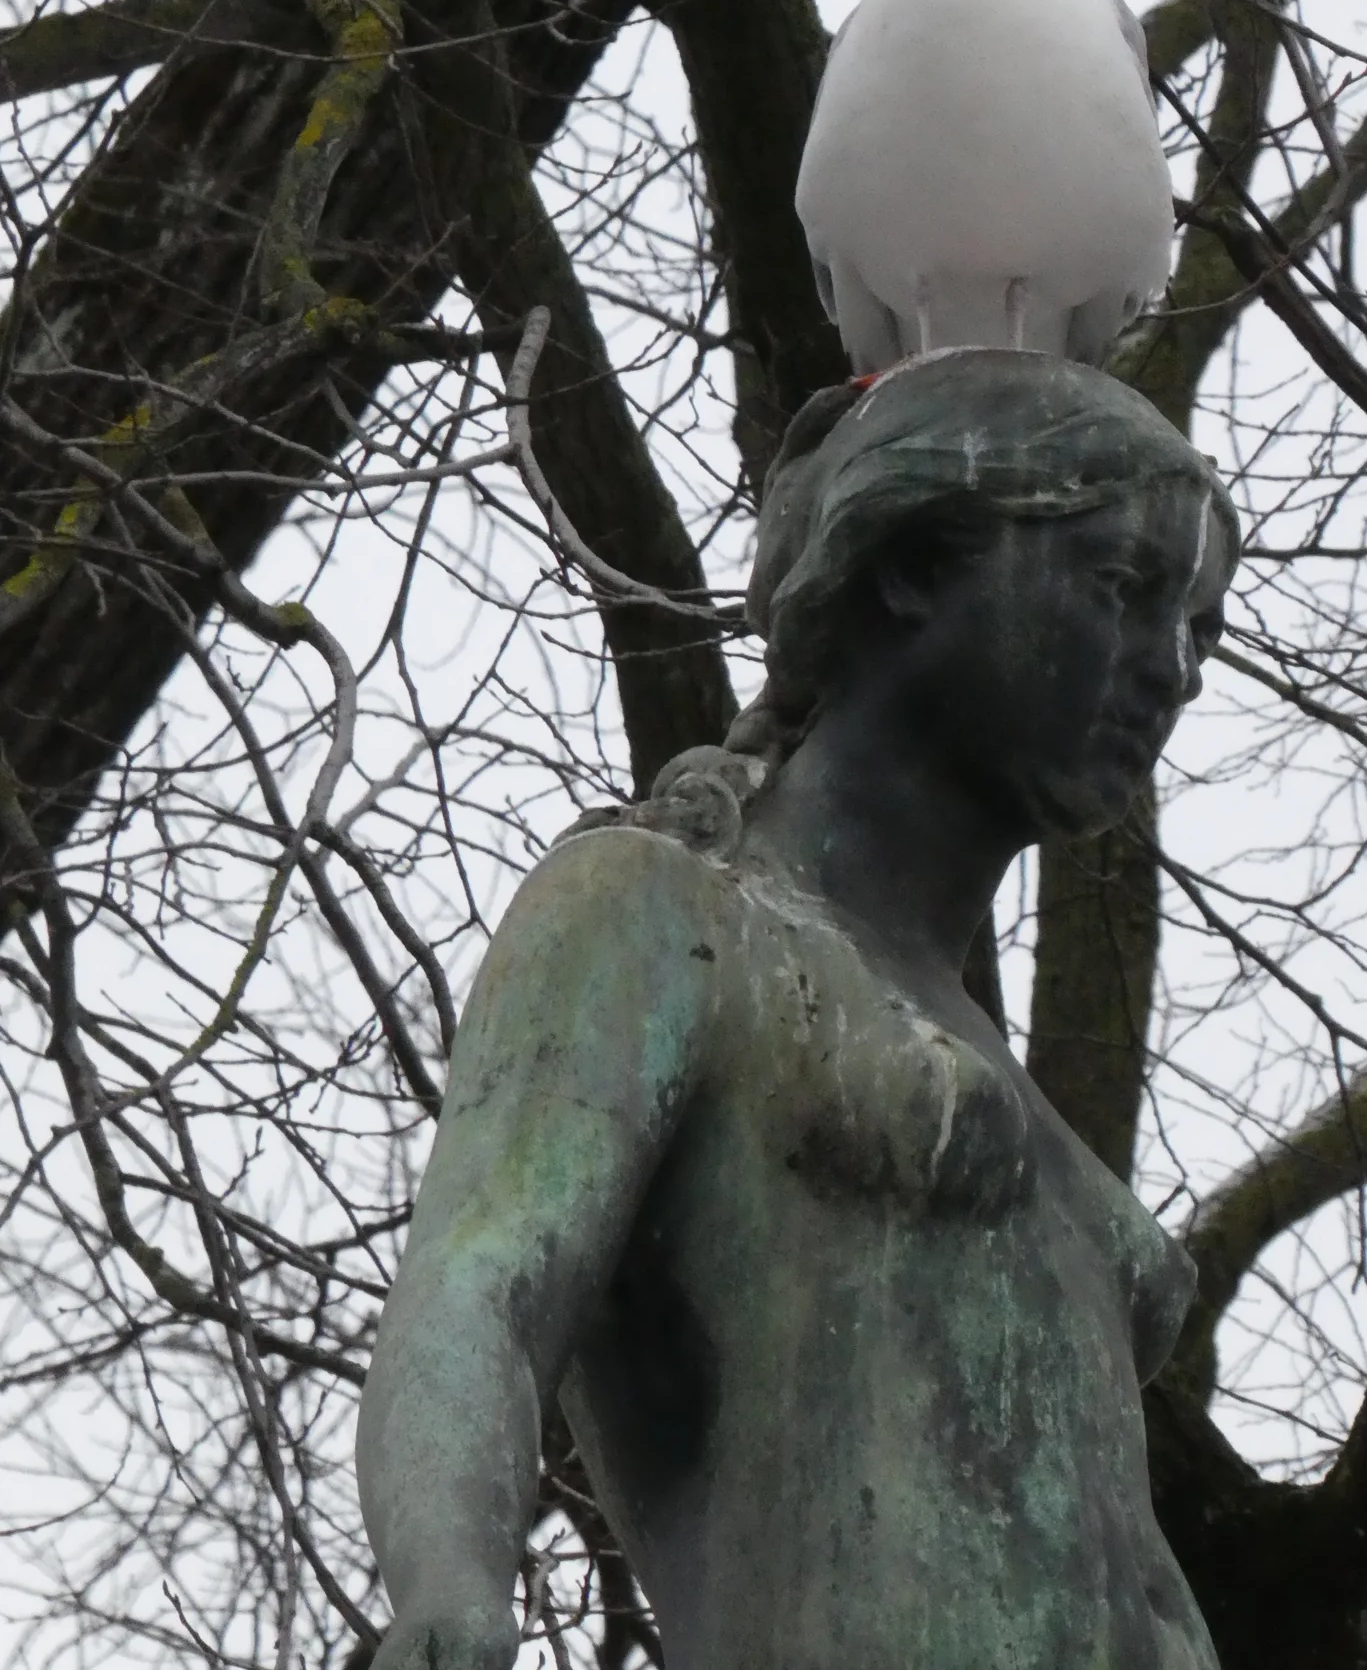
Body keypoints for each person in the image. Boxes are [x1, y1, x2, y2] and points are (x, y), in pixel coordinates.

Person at [357, 348, 1238, 1670]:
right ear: (910, 562)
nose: (1168, 667)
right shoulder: (664, 912)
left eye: (1200, 629)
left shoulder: (1008, 1082)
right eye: (1120, 588)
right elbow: (482, 1283)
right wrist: (449, 1592)